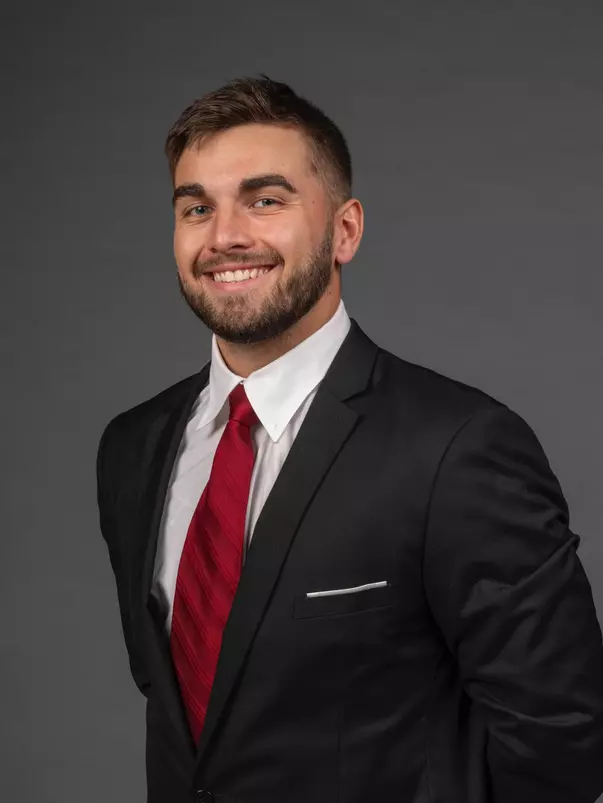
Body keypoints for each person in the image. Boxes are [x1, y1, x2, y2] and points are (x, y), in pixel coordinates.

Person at [96, 75, 603, 803]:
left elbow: (564, 742)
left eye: (265, 200)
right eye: (195, 207)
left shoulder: (455, 447)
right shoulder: (133, 448)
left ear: (344, 230)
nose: (225, 235)